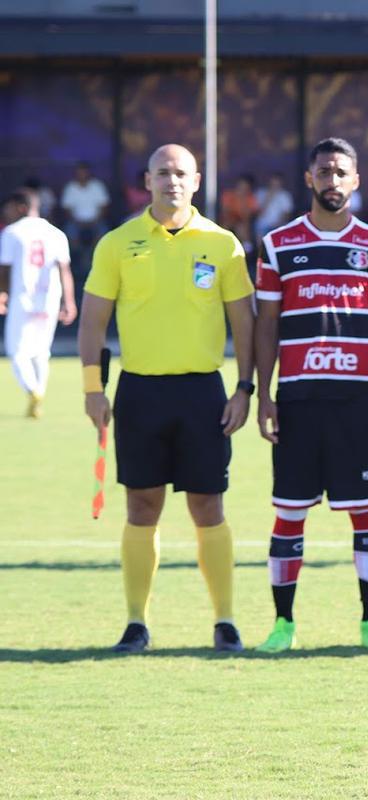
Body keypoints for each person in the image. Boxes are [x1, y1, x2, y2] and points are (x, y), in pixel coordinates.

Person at [78, 143, 255, 653]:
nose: (172, 181)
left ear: (196, 181)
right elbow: (92, 321)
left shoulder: (223, 244)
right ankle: (136, 622)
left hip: (203, 392)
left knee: (208, 505)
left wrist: (245, 388)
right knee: (141, 505)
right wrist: (93, 389)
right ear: (147, 181)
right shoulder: (118, 243)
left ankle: (225, 621)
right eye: (162, 173)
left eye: (181, 173)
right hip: (140, 392)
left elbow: (244, 323)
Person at [253, 138, 368, 654]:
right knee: (289, 512)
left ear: (356, 180)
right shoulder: (277, 244)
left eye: (341, 172)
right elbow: (266, 325)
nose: (332, 180)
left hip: (356, 400)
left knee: (366, 512)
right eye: (324, 171)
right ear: (309, 179)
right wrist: (263, 395)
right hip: (297, 400)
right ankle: (283, 624)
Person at [0, 188, 75, 418]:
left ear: (21, 207)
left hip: (22, 298)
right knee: (41, 352)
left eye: (8, 208)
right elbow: (64, 270)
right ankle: (39, 394)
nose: (6, 212)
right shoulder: (56, 233)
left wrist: (2, 294)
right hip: (49, 299)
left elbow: (5, 269)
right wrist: (69, 301)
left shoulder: (12, 232)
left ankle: (33, 392)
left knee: (17, 352)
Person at [61, 161, 110, 254]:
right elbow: (67, 209)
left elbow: (104, 207)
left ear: (89, 173)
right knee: (68, 233)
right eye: (80, 173)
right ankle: (80, 255)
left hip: (96, 220)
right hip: (76, 221)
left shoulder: (98, 186)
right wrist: (77, 221)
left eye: (84, 172)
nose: (82, 175)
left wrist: (95, 220)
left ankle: (93, 254)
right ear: (75, 174)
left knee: (104, 234)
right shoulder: (70, 187)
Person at [219, 173, 259, 253]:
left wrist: (242, 201)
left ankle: (247, 251)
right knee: (226, 225)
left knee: (242, 228)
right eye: (240, 186)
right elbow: (225, 212)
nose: (242, 189)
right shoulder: (228, 194)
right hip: (228, 220)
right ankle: (221, 247)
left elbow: (247, 217)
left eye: (245, 188)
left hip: (242, 222)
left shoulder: (250, 198)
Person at [253, 172, 295, 242]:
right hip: (262, 225)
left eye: (277, 183)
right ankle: (260, 248)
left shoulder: (285, 195)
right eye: (273, 183)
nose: (275, 185)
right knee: (259, 228)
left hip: (278, 225)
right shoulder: (261, 193)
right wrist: (268, 198)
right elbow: (259, 214)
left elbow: (286, 214)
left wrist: (278, 224)